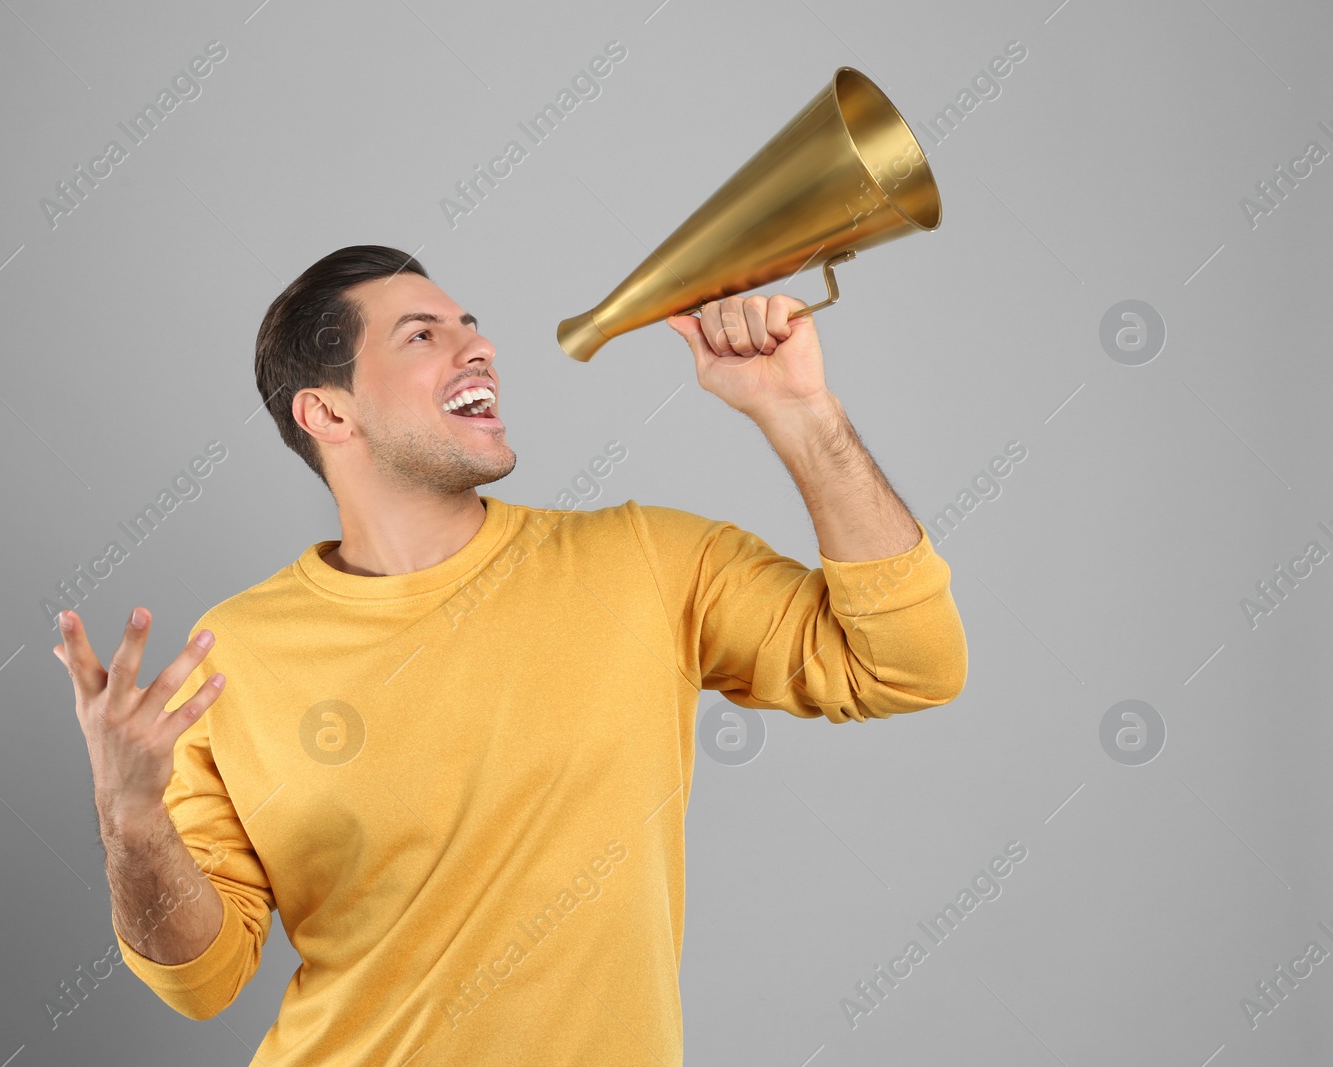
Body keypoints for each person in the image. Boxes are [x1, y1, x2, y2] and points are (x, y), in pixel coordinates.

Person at [53, 244, 967, 1065]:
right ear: (328, 410)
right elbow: (200, 981)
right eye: (421, 336)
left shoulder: (646, 560)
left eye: (471, 326)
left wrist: (801, 412)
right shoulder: (234, 653)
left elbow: (909, 662)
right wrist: (130, 818)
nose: (477, 348)